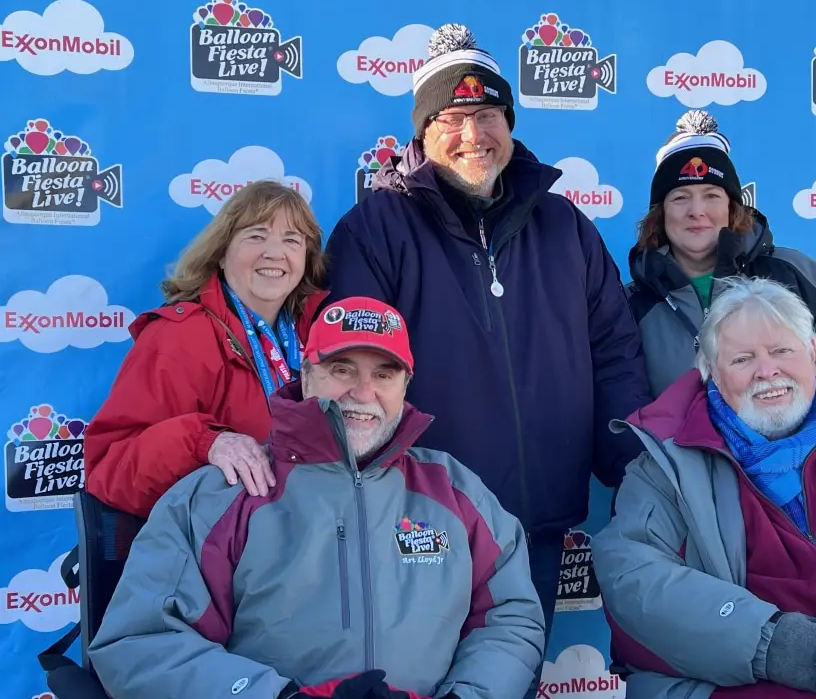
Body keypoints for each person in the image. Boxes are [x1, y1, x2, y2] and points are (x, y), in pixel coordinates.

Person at [321, 23, 650, 672]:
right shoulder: (375, 229)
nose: (474, 134)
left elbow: (614, 352)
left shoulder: (566, 227)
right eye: (452, 116)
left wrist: (632, 470)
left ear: (510, 122)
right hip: (419, 526)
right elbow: (352, 379)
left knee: (511, 681)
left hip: (539, 529)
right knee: (419, 681)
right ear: (423, 130)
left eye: (488, 114)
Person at [87, 296, 545, 699]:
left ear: (405, 385)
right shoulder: (221, 496)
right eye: (341, 369)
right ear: (306, 375)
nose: (363, 393)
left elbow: (511, 617)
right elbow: (141, 642)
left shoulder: (456, 491)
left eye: (384, 374)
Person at [592, 276, 816, 699]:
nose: (767, 371)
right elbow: (632, 577)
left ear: (814, 353)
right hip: (742, 686)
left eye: (782, 351)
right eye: (742, 359)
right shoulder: (665, 465)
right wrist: (769, 644)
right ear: (710, 372)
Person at [83, 180, 327, 517]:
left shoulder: (319, 334)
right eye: (256, 236)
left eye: (292, 240)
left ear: (305, 258)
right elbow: (110, 469)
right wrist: (204, 443)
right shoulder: (180, 337)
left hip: (306, 535)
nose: (275, 252)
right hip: (215, 550)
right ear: (222, 254)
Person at [626, 109, 816, 398]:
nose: (696, 211)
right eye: (680, 198)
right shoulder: (632, 304)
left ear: (732, 207)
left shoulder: (794, 275)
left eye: (712, 195)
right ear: (660, 214)